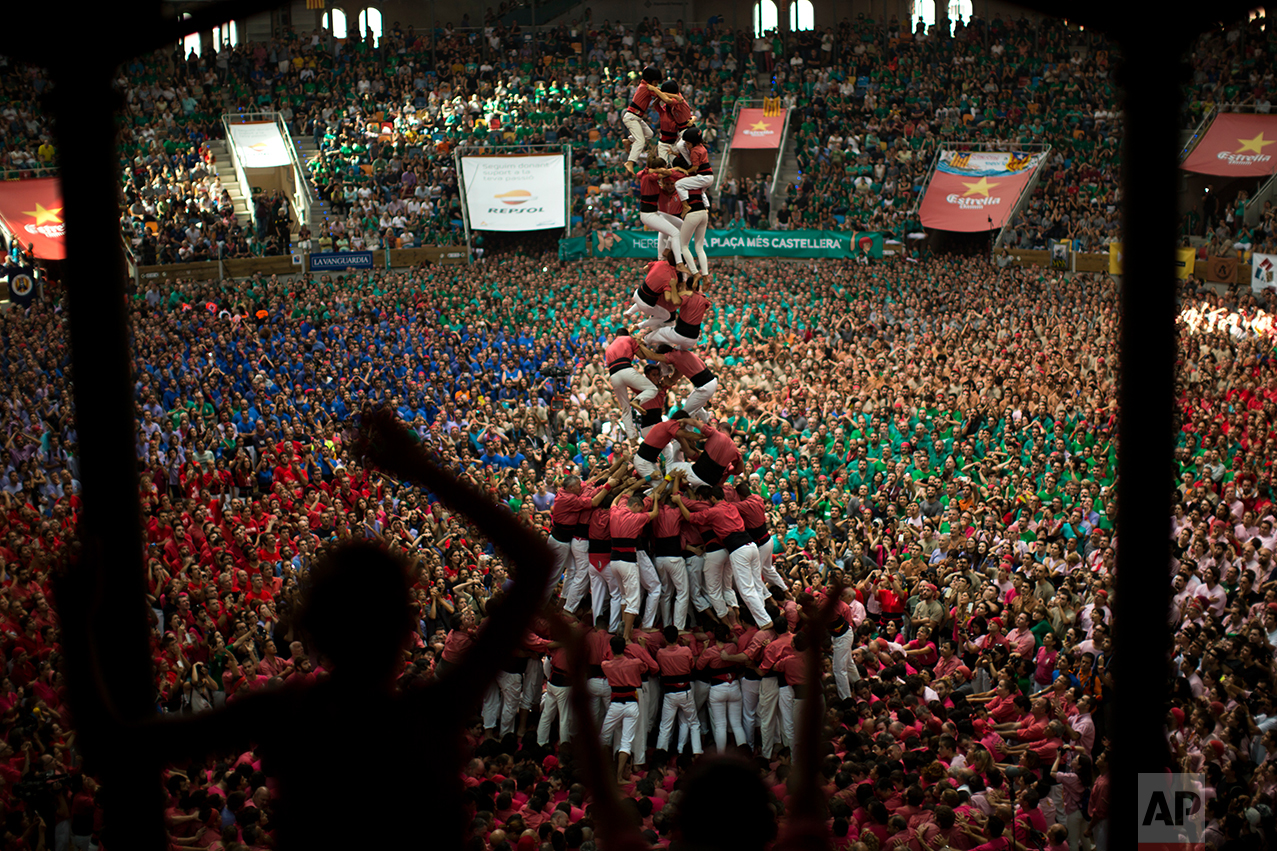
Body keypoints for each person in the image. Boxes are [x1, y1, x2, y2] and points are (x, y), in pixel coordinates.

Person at [600, 634, 657, 781]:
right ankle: (619, 777)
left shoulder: (605, 665)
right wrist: (642, 648)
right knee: (627, 740)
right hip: (632, 703)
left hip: (616, 704)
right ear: (625, 648)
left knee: (604, 736)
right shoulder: (635, 663)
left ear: (611, 649)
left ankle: (602, 769)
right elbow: (646, 668)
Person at [603, 330, 664, 441]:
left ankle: (632, 438)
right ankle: (637, 400)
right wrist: (638, 342)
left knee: (625, 408)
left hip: (613, 375)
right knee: (652, 389)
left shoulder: (608, 348)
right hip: (625, 369)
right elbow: (641, 356)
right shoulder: (628, 339)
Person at [654, 625, 702, 756]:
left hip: (669, 693)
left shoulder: (660, 653)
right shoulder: (686, 650)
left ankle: (660, 757)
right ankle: (695, 753)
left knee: (665, 727)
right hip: (685, 691)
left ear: (664, 638)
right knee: (693, 723)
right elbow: (692, 666)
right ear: (677, 638)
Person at [622, 67, 662, 175]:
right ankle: (630, 162)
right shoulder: (645, 87)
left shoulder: (647, 86)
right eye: (655, 82)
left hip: (637, 117)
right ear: (649, 81)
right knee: (640, 141)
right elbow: (661, 94)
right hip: (631, 117)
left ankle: (629, 140)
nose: (656, 85)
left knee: (649, 134)